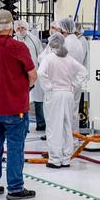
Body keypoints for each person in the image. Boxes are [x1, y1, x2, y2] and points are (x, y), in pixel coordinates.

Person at [0, 10, 37, 200]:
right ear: (12, 26)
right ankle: (15, 188)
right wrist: (25, 88)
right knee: (15, 147)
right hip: (14, 108)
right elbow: (32, 74)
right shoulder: (19, 48)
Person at [39, 34, 87, 169]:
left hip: (55, 95)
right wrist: (75, 85)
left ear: (51, 44)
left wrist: (48, 87)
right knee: (67, 126)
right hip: (68, 94)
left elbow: (41, 73)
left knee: (54, 127)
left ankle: (55, 159)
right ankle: (66, 158)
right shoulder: (69, 59)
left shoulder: (48, 59)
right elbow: (83, 71)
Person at [15, 20, 46, 132]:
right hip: (19, 75)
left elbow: (41, 55)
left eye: (22, 28)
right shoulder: (14, 40)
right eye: (18, 28)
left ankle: (41, 123)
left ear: (26, 28)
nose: (20, 30)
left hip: (34, 72)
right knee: (22, 101)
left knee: (38, 99)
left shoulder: (34, 40)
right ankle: (23, 126)